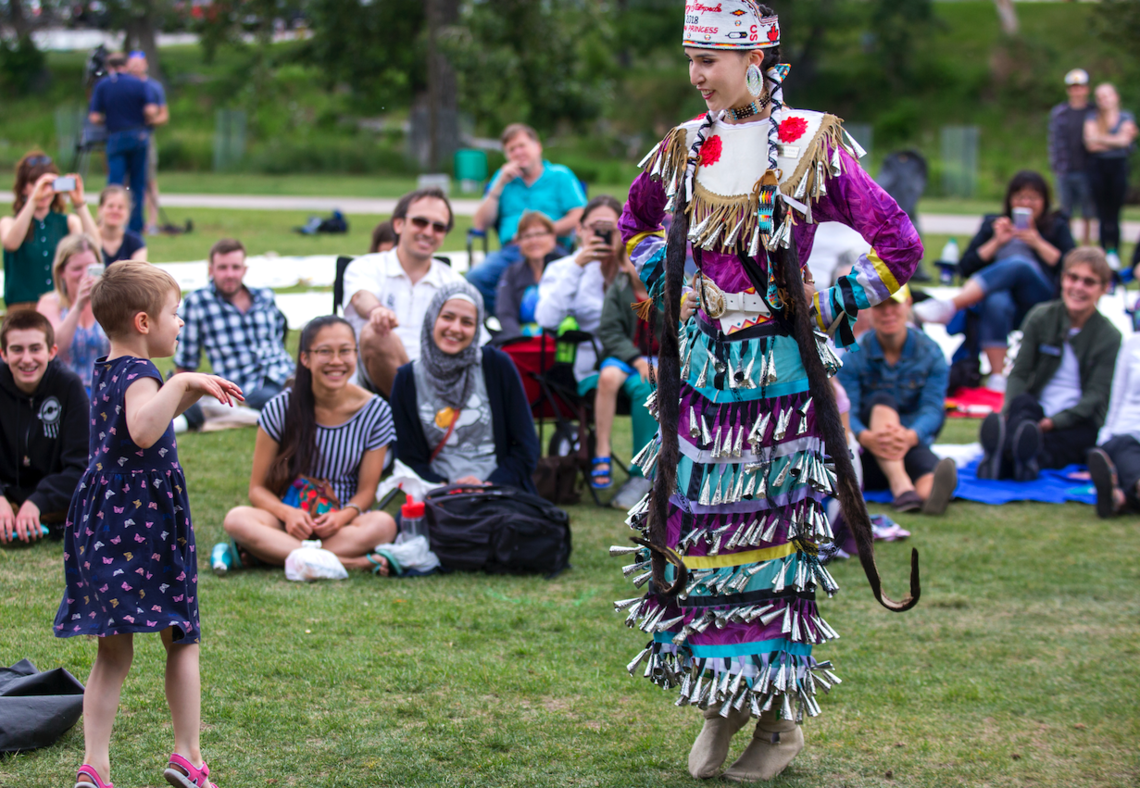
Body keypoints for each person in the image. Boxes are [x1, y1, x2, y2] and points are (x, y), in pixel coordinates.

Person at [616, 3, 923, 782]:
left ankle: (778, 722)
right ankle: (722, 706)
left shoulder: (809, 143)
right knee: (702, 544)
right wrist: (672, 282)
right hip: (702, 377)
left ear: (752, 58)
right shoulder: (686, 147)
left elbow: (900, 242)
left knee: (769, 554)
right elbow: (634, 223)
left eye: (707, 59)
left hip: (780, 382)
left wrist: (834, 301)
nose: (696, 74)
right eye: (689, 58)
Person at [54, 260, 242, 788]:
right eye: (175, 314)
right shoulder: (142, 374)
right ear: (143, 322)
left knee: (112, 651)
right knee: (180, 635)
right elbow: (141, 430)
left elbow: (140, 425)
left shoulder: (108, 367)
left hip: (104, 519)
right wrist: (181, 379)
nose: (179, 323)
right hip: (145, 521)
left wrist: (188, 391)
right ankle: (188, 755)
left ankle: (95, 765)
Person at [221, 315, 398, 574]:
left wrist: (341, 517)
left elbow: (366, 493)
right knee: (237, 519)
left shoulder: (376, 412)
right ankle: (349, 562)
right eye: (324, 352)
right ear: (305, 358)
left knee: (384, 524)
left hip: (342, 525)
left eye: (345, 351)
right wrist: (287, 514)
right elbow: (257, 490)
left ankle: (271, 554)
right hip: (289, 522)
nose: (336, 361)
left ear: (356, 354)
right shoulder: (280, 408)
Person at [913, 171, 1074, 392]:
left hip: (1039, 299)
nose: (1026, 203)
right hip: (1004, 306)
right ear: (1009, 199)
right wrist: (996, 242)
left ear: (1045, 201)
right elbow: (965, 266)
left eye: (1033, 198)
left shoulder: (1056, 226)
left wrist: (1038, 243)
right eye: (1020, 197)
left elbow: (1071, 266)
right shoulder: (993, 225)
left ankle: (951, 306)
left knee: (1019, 264)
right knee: (996, 299)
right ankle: (998, 376)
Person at [977, 248, 1120, 482]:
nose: (1078, 287)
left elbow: (1096, 396)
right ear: (1062, 279)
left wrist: (1053, 423)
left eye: (1089, 282)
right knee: (1022, 407)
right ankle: (1021, 458)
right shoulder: (1040, 317)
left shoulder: (1109, 336)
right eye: (1073, 278)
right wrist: (1008, 411)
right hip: (1035, 413)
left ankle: (1004, 459)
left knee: (1074, 438)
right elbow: (1019, 374)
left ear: (1104, 289)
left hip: (1074, 420)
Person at [390, 282, 538, 492]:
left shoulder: (497, 366)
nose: (455, 329)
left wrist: (488, 485)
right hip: (437, 493)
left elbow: (526, 448)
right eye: (448, 317)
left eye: (467, 322)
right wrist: (444, 487)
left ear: (477, 329)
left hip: (498, 490)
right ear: (433, 318)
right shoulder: (407, 379)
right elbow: (407, 457)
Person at [838, 286, 956, 514]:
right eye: (880, 306)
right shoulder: (854, 354)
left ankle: (926, 495)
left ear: (908, 305)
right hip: (866, 447)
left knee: (927, 470)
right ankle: (901, 486)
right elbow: (846, 408)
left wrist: (910, 436)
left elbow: (933, 409)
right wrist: (864, 435)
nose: (887, 312)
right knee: (881, 400)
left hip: (909, 441)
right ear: (869, 311)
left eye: (894, 304)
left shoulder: (931, 353)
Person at [345, 188, 471, 397]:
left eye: (439, 227)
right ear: (398, 224)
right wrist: (376, 311)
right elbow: (360, 296)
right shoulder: (366, 266)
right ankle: (416, 411)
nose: (429, 232)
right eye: (420, 222)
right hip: (374, 387)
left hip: (438, 382)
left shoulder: (455, 283)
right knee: (376, 333)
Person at [465, 124, 587, 312]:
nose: (518, 152)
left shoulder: (559, 175)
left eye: (522, 146)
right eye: (511, 149)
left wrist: (540, 234)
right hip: (512, 253)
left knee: (578, 282)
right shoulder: (502, 179)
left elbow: (580, 215)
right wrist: (498, 185)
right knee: (474, 279)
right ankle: (512, 316)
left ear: (537, 147)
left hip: (552, 250)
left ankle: (545, 318)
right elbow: (479, 224)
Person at [174, 238, 294, 429]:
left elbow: (280, 336)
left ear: (244, 270)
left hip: (286, 373)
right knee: (284, 404)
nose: (230, 274)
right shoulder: (198, 303)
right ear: (210, 270)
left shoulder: (265, 296)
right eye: (223, 268)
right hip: (247, 387)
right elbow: (185, 363)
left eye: (235, 267)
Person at [0, 311, 87, 544]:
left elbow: (82, 465)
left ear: (51, 352)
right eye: (17, 349)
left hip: (54, 498)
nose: (27, 359)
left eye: (35, 349)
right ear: (4, 354)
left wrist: (39, 501)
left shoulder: (69, 386)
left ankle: (30, 516)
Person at [2, 152, 101, 311]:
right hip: (23, 307)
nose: (43, 190)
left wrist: (79, 203)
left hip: (58, 306)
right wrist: (33, 200)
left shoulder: (67, 222)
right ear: (22, 187)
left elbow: (94, 246)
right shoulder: (9, 222)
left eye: (48, 184)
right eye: (34, 183)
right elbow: (11, 243)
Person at [88, 54, 160, 233]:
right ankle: (135, 226)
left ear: (108, 66)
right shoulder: (139, 83)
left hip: (115, 135)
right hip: (138, 135)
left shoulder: (103, 85)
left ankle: (109, 222)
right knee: (137, 182)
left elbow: (94, 116)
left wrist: (110, 118)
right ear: (126, 65)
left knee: (115, 182)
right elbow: (151, 110)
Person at [36, 233, 110, 391]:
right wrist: (78, 306)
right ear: (62, 271)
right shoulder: (50, 304)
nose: (85, 275)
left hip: (104, 393)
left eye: (90, 268)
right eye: (77, 269)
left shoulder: (110, 303)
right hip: (62, 391)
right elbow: (52, 348)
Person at [1084, 82, 1137, 271]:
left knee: (1114, 214)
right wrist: (1115, 142)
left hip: (1118, 168)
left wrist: (1099, 138)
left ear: (1115, 97)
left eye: (1107, 95)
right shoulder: (1093, 118)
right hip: (1098, 168)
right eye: (1100, 97)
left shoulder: (1126, 116)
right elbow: (1090, 144)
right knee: (1101, 213)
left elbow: (1125, 141)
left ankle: (1114, 253)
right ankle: (1102, 253)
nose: (1103, 100)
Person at [1088, 331, 1140, 518]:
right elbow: (1117, 395)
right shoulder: (1133, 343)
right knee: (1124, 448)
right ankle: (1128, 493)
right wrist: (1104, 438)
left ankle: (1119, 499)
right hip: (1128, 432)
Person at [494, 211, 560, 339]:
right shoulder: (512, 273)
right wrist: (520, 340)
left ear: (553, 237)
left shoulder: (566, 269)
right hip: (522, 343)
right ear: (519, 242)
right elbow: (505, 314)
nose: (533, 241)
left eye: (539, 234)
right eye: (527, 236)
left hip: (561, 344)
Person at [1050, 69, 1095, 246]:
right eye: (1073, 87)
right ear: (1069, 90)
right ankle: (1068, 243)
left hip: (1087, 169)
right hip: (1065, 169)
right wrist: (1056, 166)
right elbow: (1053, 141)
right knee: (1065, 211)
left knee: (1087, 211)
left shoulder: (1093, 112)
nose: (1077, 91)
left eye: (1080, 87)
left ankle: (1086, 244)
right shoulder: (1060, 112)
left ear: (1086, 89)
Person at [126, 50, 169, 236]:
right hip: (126, 135)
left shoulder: (154, 87)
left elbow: (163, 115)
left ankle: (151, 223)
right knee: (126, 181)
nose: (136, 67)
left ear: (145, 65)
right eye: (132, 64)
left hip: (145, 137)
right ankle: (128, 221)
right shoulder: (123, 85)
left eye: (139, 63)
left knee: (149, 180)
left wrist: (150, 119)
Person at [97, 185, 147, 264]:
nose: (115, 211)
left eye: (120, 207)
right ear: (100, 209)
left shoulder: (135, 243)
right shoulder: (88, 240)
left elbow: (138, 274)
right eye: (110, 206)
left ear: (128, 212)